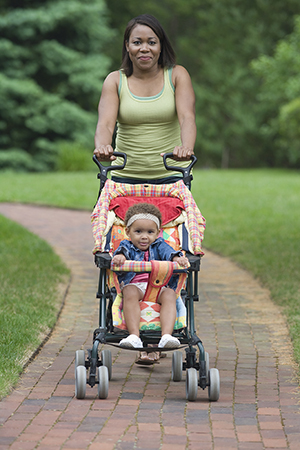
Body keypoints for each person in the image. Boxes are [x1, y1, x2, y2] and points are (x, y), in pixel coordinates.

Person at [93, 13, 196, 184]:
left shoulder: (177, 75)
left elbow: (187, 117)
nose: (144, 48)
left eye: (152, 42)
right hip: (124, 176)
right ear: (127, 46)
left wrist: (186, 148)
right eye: (137, 42)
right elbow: (105, 124)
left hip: (172, 175)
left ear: (161, 46)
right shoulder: (115, 80)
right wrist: (103, 147)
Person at [112, 203, 189, 349]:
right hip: (137, 286)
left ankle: (166, 336)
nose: (144, 237)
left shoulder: (160, 245)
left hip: (159, 286)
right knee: (128, 291)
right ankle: (134, 335)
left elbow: (169, 253)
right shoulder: (127, 245)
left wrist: (176, 259)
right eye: (138, 231)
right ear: (128, 232)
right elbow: (122, 251)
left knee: (170, 294)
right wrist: (120, 257)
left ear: (158, 233)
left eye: (150, 232)